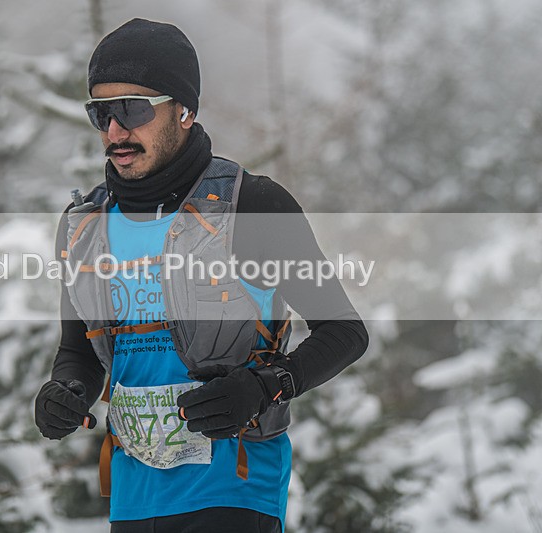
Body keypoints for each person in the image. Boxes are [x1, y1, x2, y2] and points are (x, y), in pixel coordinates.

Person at [35, 18, 368, 533]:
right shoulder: (84, 227)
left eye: (132, 110)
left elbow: (344, 330)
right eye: (101, 114)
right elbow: (79, 352)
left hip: (234, 490)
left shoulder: (253, 205)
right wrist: (65, 392)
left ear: (184, 110)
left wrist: (262, 387)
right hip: (133, 497)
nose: (115, 132)